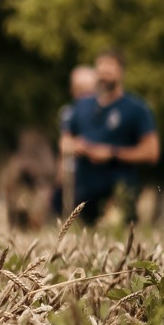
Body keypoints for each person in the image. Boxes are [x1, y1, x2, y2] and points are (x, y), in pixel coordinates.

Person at [57, 49, 159, 226]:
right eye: (101, 71)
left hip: (119, 194)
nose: (104, 76)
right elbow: (65, 140)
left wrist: (112, 153)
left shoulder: (137, 108)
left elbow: (152, 152)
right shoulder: (82, 105)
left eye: (109, 71)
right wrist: (75, 146)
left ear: (121, 72)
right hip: (83, 196)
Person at [55, 64, 97, 219]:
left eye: (88, 90)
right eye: (80, 89)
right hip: (75, 173)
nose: (84, 94)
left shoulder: (103, 111)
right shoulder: (68, 112)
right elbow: (65, 143)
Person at [0, 129, 59, 232]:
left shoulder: (44, 156)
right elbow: (8, 183)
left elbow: (49, 172)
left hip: (37, 192)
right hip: (21, 195)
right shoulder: (16, 161)